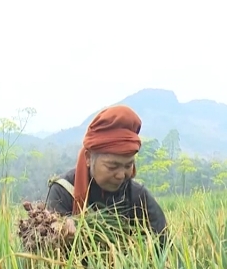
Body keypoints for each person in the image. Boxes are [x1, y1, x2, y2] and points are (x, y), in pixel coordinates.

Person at [45, 105, 168, 248]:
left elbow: (164, 245)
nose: (121, 175)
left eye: (128, 166)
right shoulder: (64, 191)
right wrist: (61, 233)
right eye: (112, 166)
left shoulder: (137, 197)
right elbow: (45, 250)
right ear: (88, 158)